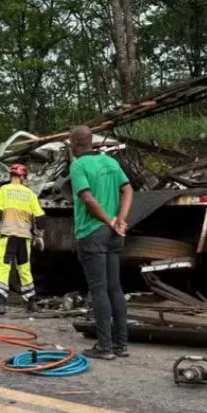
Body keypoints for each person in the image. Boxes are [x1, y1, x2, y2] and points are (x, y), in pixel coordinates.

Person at [68, 126, 134, 360]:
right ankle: (121, 345)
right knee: (114, 288)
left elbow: (87, 198)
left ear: (76, 144)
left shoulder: (78, 166)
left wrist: (108, 219)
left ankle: (104, 346)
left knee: (99, 291)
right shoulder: (110, 163)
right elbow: (128, 190)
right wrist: (120, 220)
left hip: (92, 233)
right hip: (113, 235)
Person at [0, 163, 46, 315]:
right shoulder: (30, 194)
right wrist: (39, 235)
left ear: (11, 176)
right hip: (24, 238)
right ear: (23, 177)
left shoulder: (3, 190)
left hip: (6, 236)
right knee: (24, 270)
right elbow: (40, 217)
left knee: (2, 268)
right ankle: (31, 303)